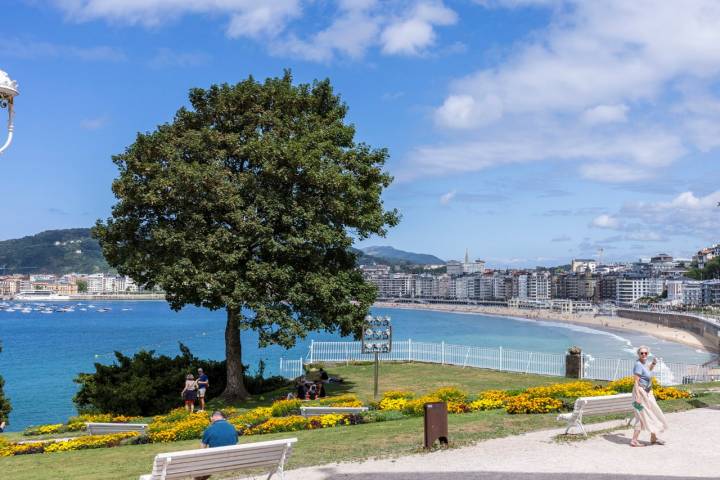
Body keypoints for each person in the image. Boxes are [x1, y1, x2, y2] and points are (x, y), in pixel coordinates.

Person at [630, 346, 668, 447]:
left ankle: (653, 437)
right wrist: (638, 397)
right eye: (642, 353)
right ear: (638, 354)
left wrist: (654, 363)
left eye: (646, 353)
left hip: (647, 393)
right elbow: (636, 382)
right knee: (641, 415)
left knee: (653, 413)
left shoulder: (644, 363)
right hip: (640, 394)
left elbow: (648, 371)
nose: (644, 355)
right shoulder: (638, 365)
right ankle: (634, 440)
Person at [195, 411, 239, 480]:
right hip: (232, 460)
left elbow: (202, 450)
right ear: (224, 418)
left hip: (215, 462)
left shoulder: (209, 429)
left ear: (212, 418)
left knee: (201, 468)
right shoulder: (232, 427)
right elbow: (236, 443)